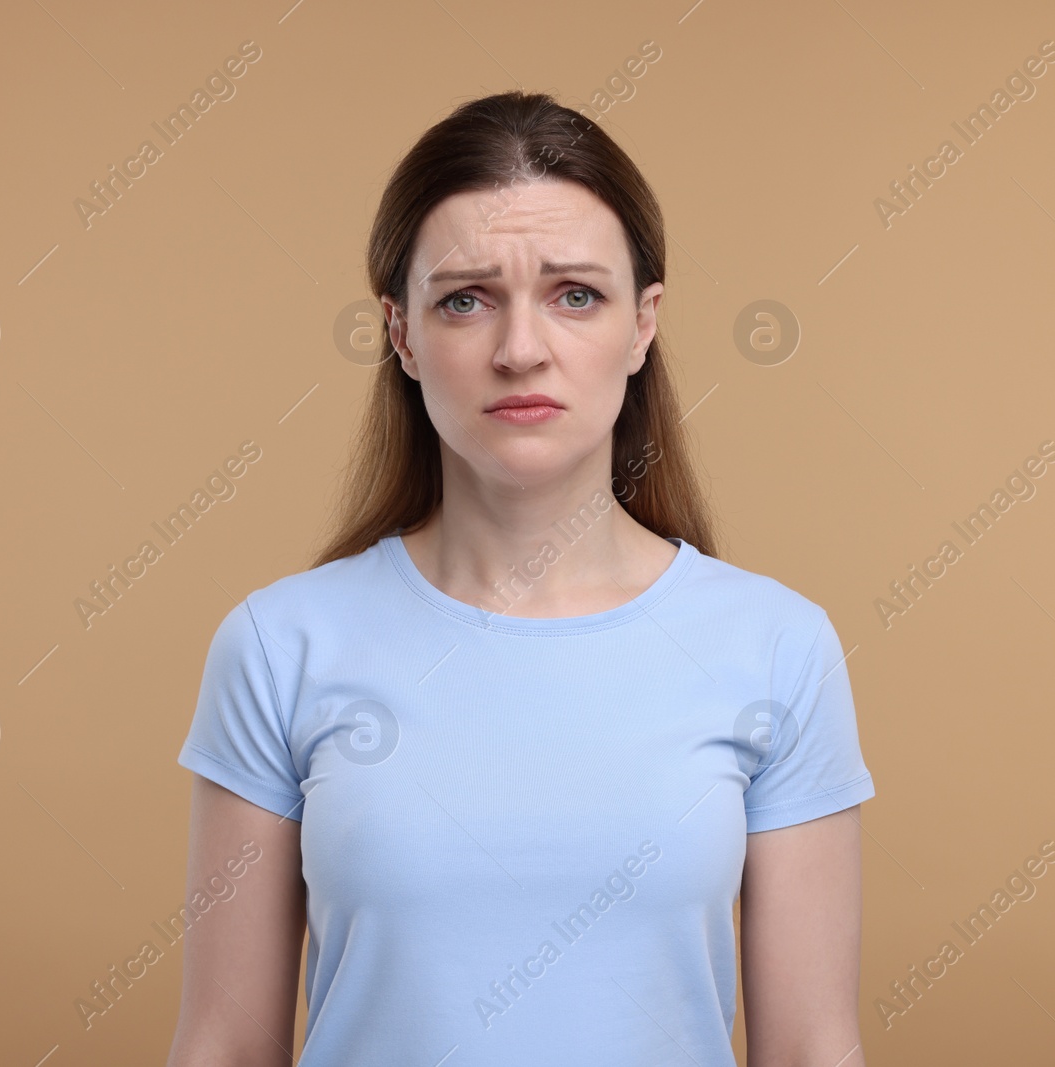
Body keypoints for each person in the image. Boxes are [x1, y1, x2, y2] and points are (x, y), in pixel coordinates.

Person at [165, 90, 875, 1067]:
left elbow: (809, 1049)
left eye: (575, 293)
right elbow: (225, 1043)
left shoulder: (777, 648)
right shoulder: (280, 644)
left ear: (642, 324)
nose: (520, 349)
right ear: (402, 334)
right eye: (466, 298)